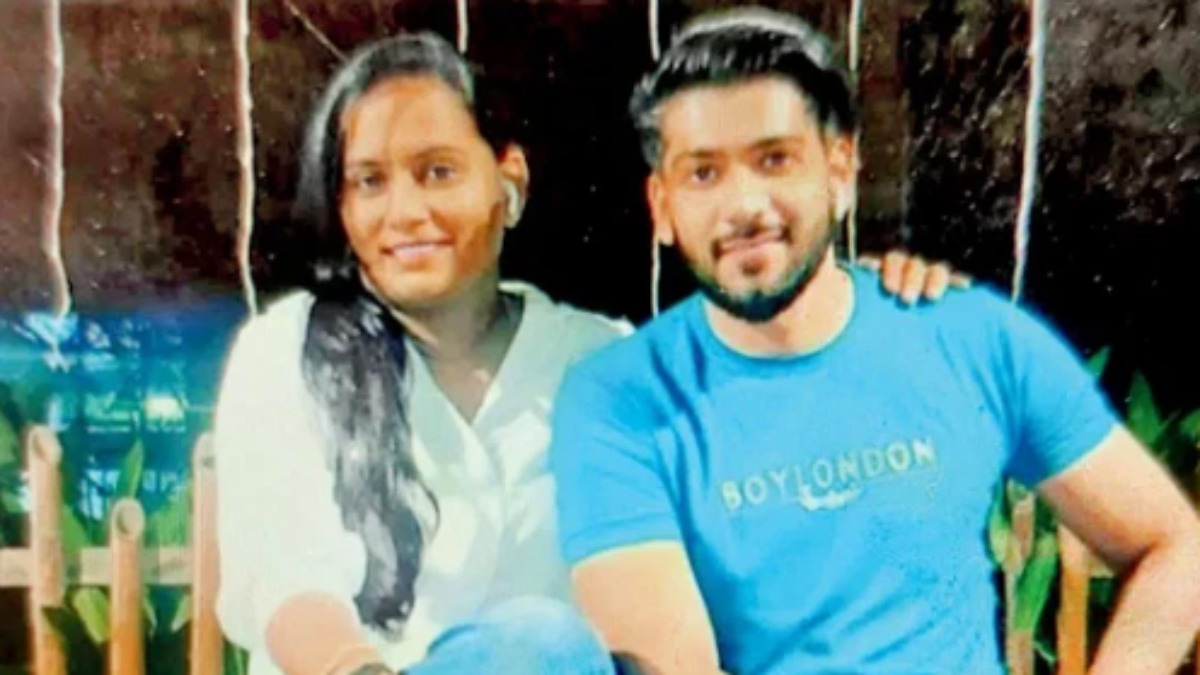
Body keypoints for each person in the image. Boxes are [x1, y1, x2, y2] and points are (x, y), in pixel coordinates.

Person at [212, 31, 965, 675]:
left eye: (437, 172)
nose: (404, 212)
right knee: (537, 642)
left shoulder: (599, 361)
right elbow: (288, 586)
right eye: (368, 183)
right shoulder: (288, 349)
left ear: (509, 182)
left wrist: (865, 305)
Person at [547, 8, 1200, 675]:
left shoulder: (970, 336)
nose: (743, 205)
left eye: (774, 159)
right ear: (661, 207)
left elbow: (1175, 544)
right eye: (704, 174)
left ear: (839, 172)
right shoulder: (620, 398)